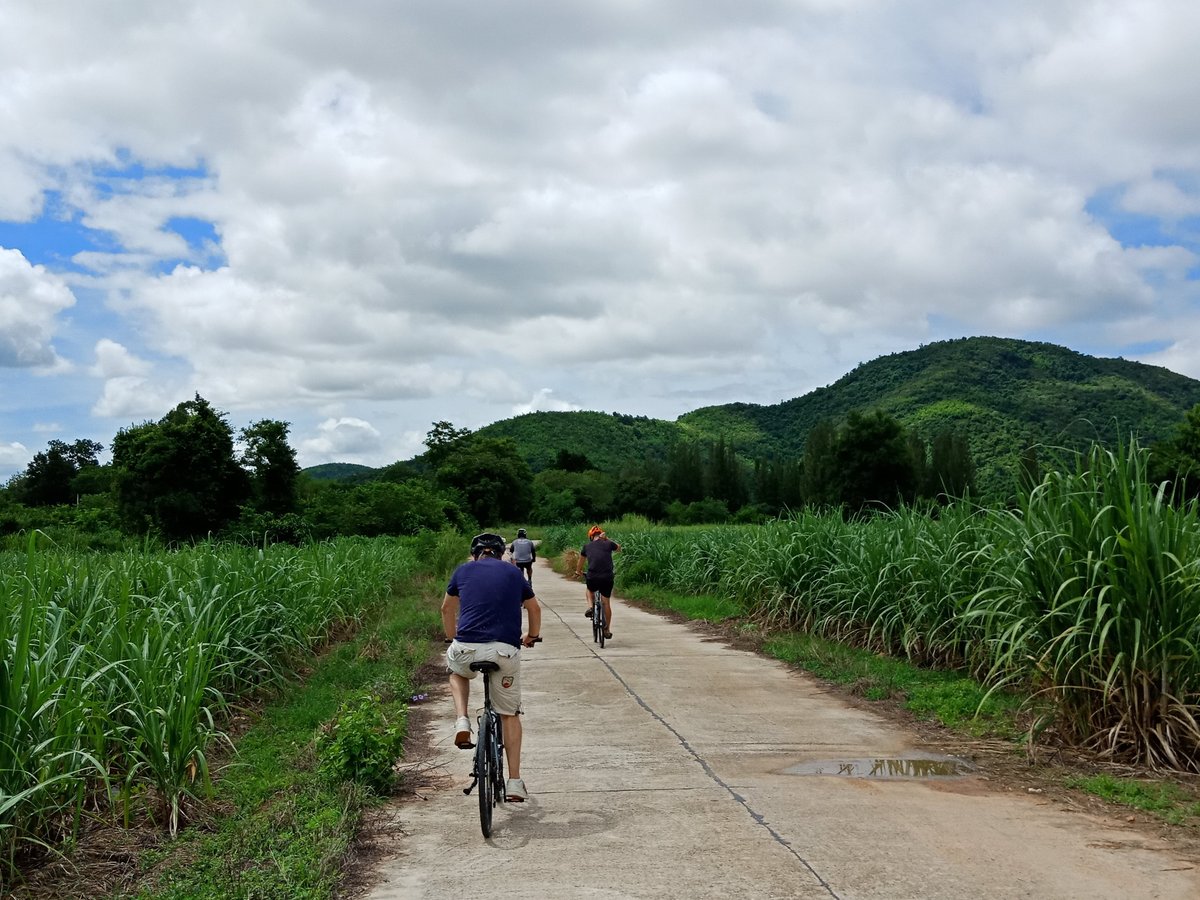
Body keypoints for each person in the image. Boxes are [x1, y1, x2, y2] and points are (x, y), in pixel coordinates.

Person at [442, 532, 542, 802]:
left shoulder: (463, 571)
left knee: (457, 671)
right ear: (500, 553)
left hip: (467, 647)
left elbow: (446, 609)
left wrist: (454, 638)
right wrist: (531, 636)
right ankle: (514, 782)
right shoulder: (513, 574)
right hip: (504, 650)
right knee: (509, 714)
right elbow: (534, 609)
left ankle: (462, 719)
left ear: (475, 553)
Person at [575, 524, 620, 640]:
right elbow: (619, 548)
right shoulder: (608, 544)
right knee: (606, 603)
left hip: (593, 576)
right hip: (607, 577)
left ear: (591, 536)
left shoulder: (587, 546)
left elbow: (580, 561)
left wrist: (578, 571)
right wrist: (607, 539)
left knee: (589, 590)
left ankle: (590, 607)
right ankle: (607, 629)